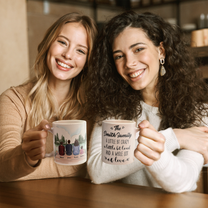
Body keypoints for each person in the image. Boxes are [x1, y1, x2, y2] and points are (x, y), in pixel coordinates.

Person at [85, 11, 208, 193]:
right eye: (119, 56)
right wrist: (174, 137)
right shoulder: (112, 107)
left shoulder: (198, 110)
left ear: (161, 51)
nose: (129, 63)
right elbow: (97, 171)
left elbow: (182, 181)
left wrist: (161, 140)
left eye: (138, 49)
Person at [0, 12, 97, 182]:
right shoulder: (13, 100)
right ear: (48, 44)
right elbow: (3, 167)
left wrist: (23, 169)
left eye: (80, 50)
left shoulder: (92, 108)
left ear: (88, 61)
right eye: (62, 42)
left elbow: (84, 164)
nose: (68, 55)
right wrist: (28, 158)